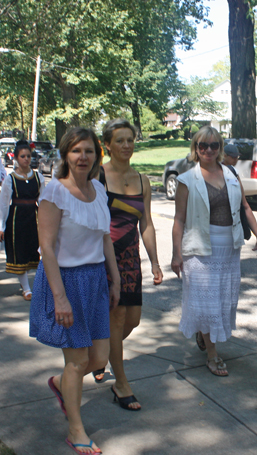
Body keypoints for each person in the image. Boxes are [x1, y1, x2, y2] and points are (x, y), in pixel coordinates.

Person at [29, 127, 120, 455]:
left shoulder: (97, 187)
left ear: (97, 155)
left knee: (99, 357)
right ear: (66, 154)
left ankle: (58, 384)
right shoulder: (55, 192)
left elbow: (105, 237)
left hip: (95, 280)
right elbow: (47, 248)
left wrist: (116, 278)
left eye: (90, 151)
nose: (83, 157)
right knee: (78, 361)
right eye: (77, 151)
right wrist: (60, 297)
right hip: (65, 281)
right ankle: (76, 430)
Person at [171, 126, 257, 376]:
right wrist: (176, 253)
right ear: (196, 148)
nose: (209, 150)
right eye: (203, 145)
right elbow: (179, 219)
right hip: (199, 248)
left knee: (222, 299)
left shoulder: (231, 175)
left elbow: (245, 207)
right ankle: (212, 355)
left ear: (220, 147)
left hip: (228, 247)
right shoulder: (186, 180)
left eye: (214, 145)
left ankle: (206, 337)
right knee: (207, 300)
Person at [92, 118, 163, 411]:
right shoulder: (97, 176)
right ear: (107, 145)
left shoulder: (142, 180)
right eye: (119, 140)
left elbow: (146, 223)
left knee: (132, 320)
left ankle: (99, 352)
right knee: (117, 318)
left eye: (130, 140)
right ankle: (121, 384)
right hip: (104, 257)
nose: (126, 145)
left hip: (131, 258)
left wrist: (155, 261)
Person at [0, 140, 45, 300]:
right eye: (22, 156)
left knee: (34, 250)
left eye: (28, 156)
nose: (26, 159)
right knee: (19, 253)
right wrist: (1, 226)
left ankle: (34, 285)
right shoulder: (10, 179)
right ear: (16, 159)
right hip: (16, 219)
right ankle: (26, 288)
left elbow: (43, 201)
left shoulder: (38, 177)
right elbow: (4, 204)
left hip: (34, 217)